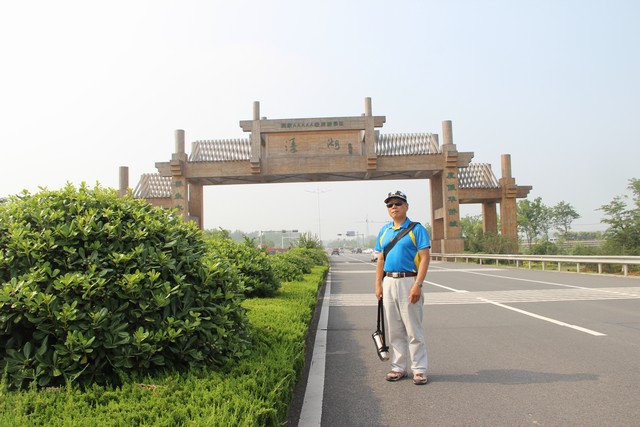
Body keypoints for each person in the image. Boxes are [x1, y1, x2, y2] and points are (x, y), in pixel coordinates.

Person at [374, 190, 431, 385]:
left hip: (409, 281)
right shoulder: (384, 231)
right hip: (389, 281)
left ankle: (419, 369)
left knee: (413, 329)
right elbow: (381, 259)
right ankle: (398, 367)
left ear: (406, 206)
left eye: (398, 203)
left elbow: (425, 258)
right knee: (395, 329)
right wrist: (378, 285)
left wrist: (418, 285)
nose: (394, 207)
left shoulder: (417, 229)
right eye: (390, 204)